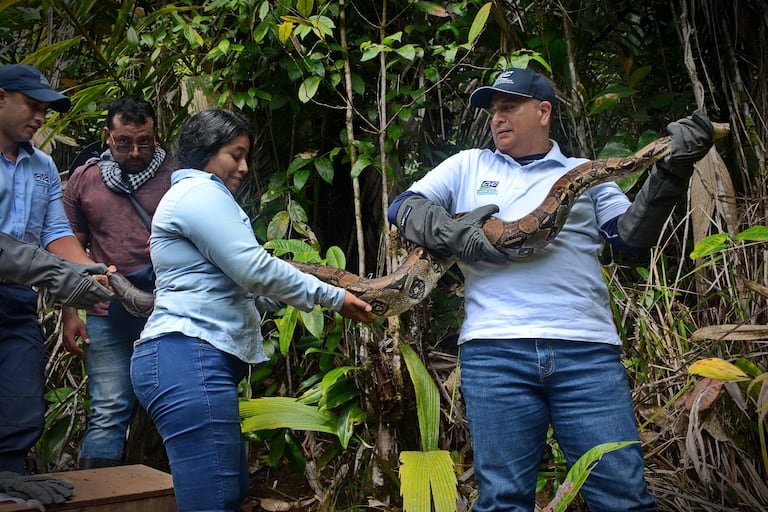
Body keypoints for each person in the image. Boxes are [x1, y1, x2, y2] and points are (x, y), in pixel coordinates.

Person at [387, 67, 714, 511]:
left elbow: (630, 238)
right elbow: (402, 206)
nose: (496, 119)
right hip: (495, 351)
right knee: (503, 501)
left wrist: (672, 170)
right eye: (492, 110)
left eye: (509, 107)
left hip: (587, 352)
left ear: (543, 112)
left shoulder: (587, 172)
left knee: (622, 496)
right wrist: (455, 232)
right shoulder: (467, 165)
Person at [129, 107, 372, 511]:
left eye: (246, 156)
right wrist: (334, 297)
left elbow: (240, 285)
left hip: (189, 357)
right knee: (215, 501)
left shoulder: (198, 197)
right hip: (186, 356)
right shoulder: (200, 193)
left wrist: (282, 294)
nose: (243, 167)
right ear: (206, 150)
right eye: (234, 154)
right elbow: (254, 268)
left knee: (229, 493)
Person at [0, 63, 110, 502]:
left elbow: (54, 236)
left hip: (16, 297)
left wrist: (89, 279)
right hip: (21, 275)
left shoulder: (42, 166)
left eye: (46, 110)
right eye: (32, 105)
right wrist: (61, 277)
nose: (41, 117)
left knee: (21, 398)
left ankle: (6, 480)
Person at [61, 95, 175, 469]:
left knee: (174, 406)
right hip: (105, 310)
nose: (135, 151)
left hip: (169, 309)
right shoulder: (85, 179)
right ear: (108, 136)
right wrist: (69, 313)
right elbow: (69, 249)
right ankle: (99, 496)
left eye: (145, 141)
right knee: (109, 409)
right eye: (124, 141)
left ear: (156, 137)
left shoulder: (176, 177)